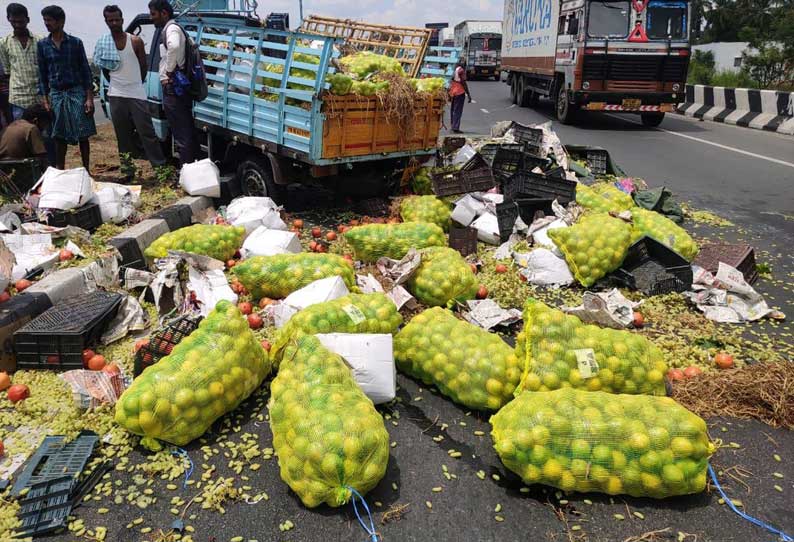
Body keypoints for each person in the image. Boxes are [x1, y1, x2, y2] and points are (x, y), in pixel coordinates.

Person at [95, 5, 167, 180]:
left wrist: (133, 84)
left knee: (147, 134)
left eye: (116, 19)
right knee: (123, 136)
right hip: (116, 95)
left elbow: (143, 67)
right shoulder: (104, 42)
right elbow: (105, 69)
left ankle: (160, 170)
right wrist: (118, 84)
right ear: (106, 21)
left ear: (122, 20)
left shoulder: (135, 41)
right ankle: (128, 171)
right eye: (110, 20)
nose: (114, 23)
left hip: (136, 94)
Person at [37, 5, 96, 171]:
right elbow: (42, 75)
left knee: (83, 134)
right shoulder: (42, 45)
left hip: (76, 92)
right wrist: (46, 100)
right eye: (45, 20)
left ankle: (86, 170)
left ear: (61, 21)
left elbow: (85, 71)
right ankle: (60, 170)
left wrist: (89, 98)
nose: (46, 24)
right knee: (59, 136)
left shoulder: (76, 43)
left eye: (49, 20)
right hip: (56, 95)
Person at [149, 0, 198, 165]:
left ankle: (188, 172)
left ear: (164, 13)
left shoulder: (171, 29)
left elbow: (175, 47)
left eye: (153, 14)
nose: (151, 18)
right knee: (184, 131)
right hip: (176, 88)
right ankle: (191, 169)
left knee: (181, 134)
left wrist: (169, 71)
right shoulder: (171, 29)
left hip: (174, 88)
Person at [0, 4, 40, 121]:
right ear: (8, 19)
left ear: (27, 20)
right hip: (18, 100)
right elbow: (8, 72)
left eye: (21, 21)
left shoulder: (40, 41)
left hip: (39, 98)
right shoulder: (3, 43)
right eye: (14, 21)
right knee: (21, 135)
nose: (17, 25)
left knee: (44, 136)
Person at [449, 59, 472, 134]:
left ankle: (453, 125)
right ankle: (455, 127)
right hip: (460, 92)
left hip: (453, 91)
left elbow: (451, 79)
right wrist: (468, 94)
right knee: (458, 110)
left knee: (453, 110)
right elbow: (464, 83)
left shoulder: (454, 69)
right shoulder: (461, 71)